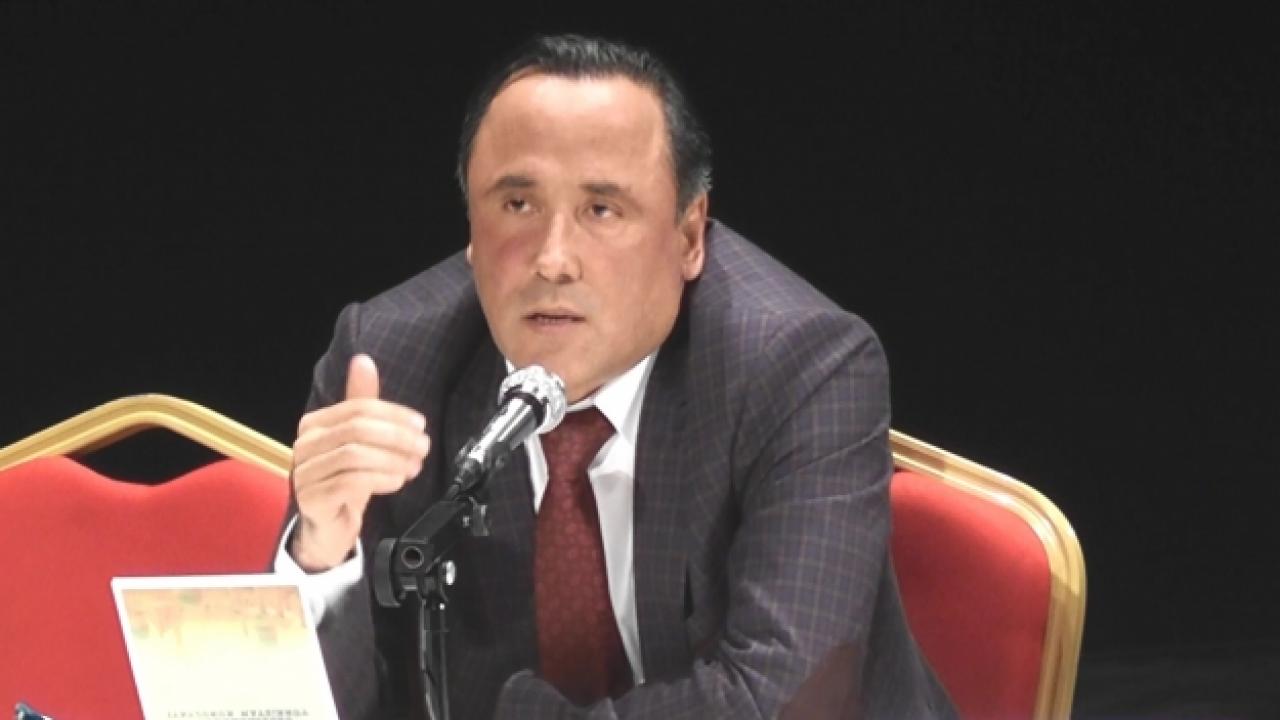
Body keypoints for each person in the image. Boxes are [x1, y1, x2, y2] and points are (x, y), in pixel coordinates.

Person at [276, 33, 955, 719]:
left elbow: (776, 703)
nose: (553, 259)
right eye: (517, 205)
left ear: (690, 236)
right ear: (472, 231)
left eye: (601, 210)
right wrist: (321, 556)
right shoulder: (388, 362)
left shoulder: (798, 367)